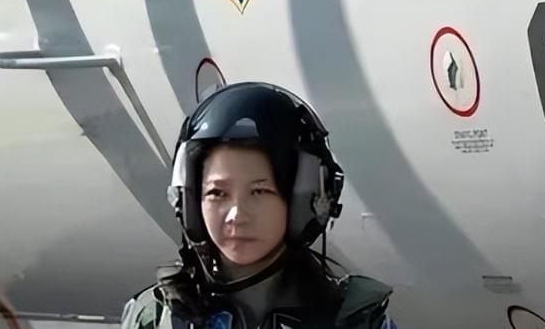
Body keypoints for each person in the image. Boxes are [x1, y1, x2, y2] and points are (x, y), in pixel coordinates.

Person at [121, 82, 397, 329]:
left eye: (259, 191)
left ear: (302, 201)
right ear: (190, 201)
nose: (236, 215)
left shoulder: (356, 320)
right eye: (217, 193)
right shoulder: (157, 319)